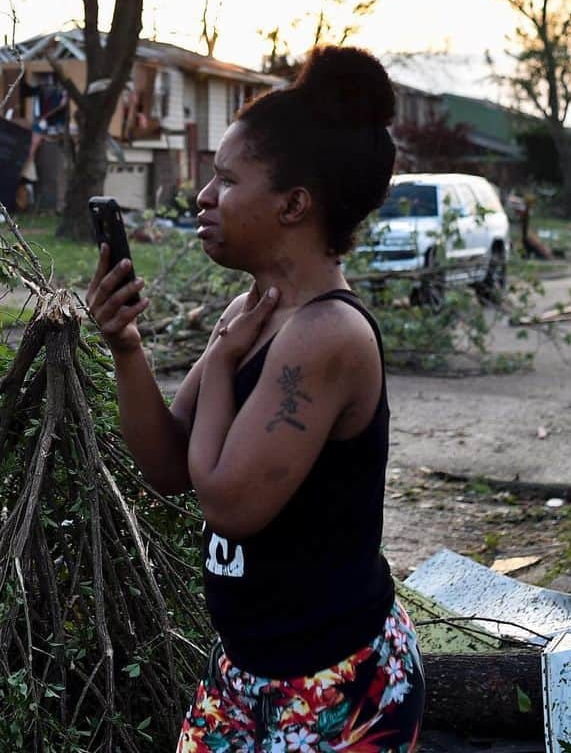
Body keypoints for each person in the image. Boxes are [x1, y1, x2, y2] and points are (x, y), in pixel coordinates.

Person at [85, 45, 425, 752]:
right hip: (247, 674)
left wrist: (225, 359)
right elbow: (169, 466)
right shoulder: (259, 309)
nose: (204, 198)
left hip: (333, 686)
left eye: (225, 180)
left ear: (294, 204)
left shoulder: (325, 335)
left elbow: (228, 504)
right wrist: (128, 347)